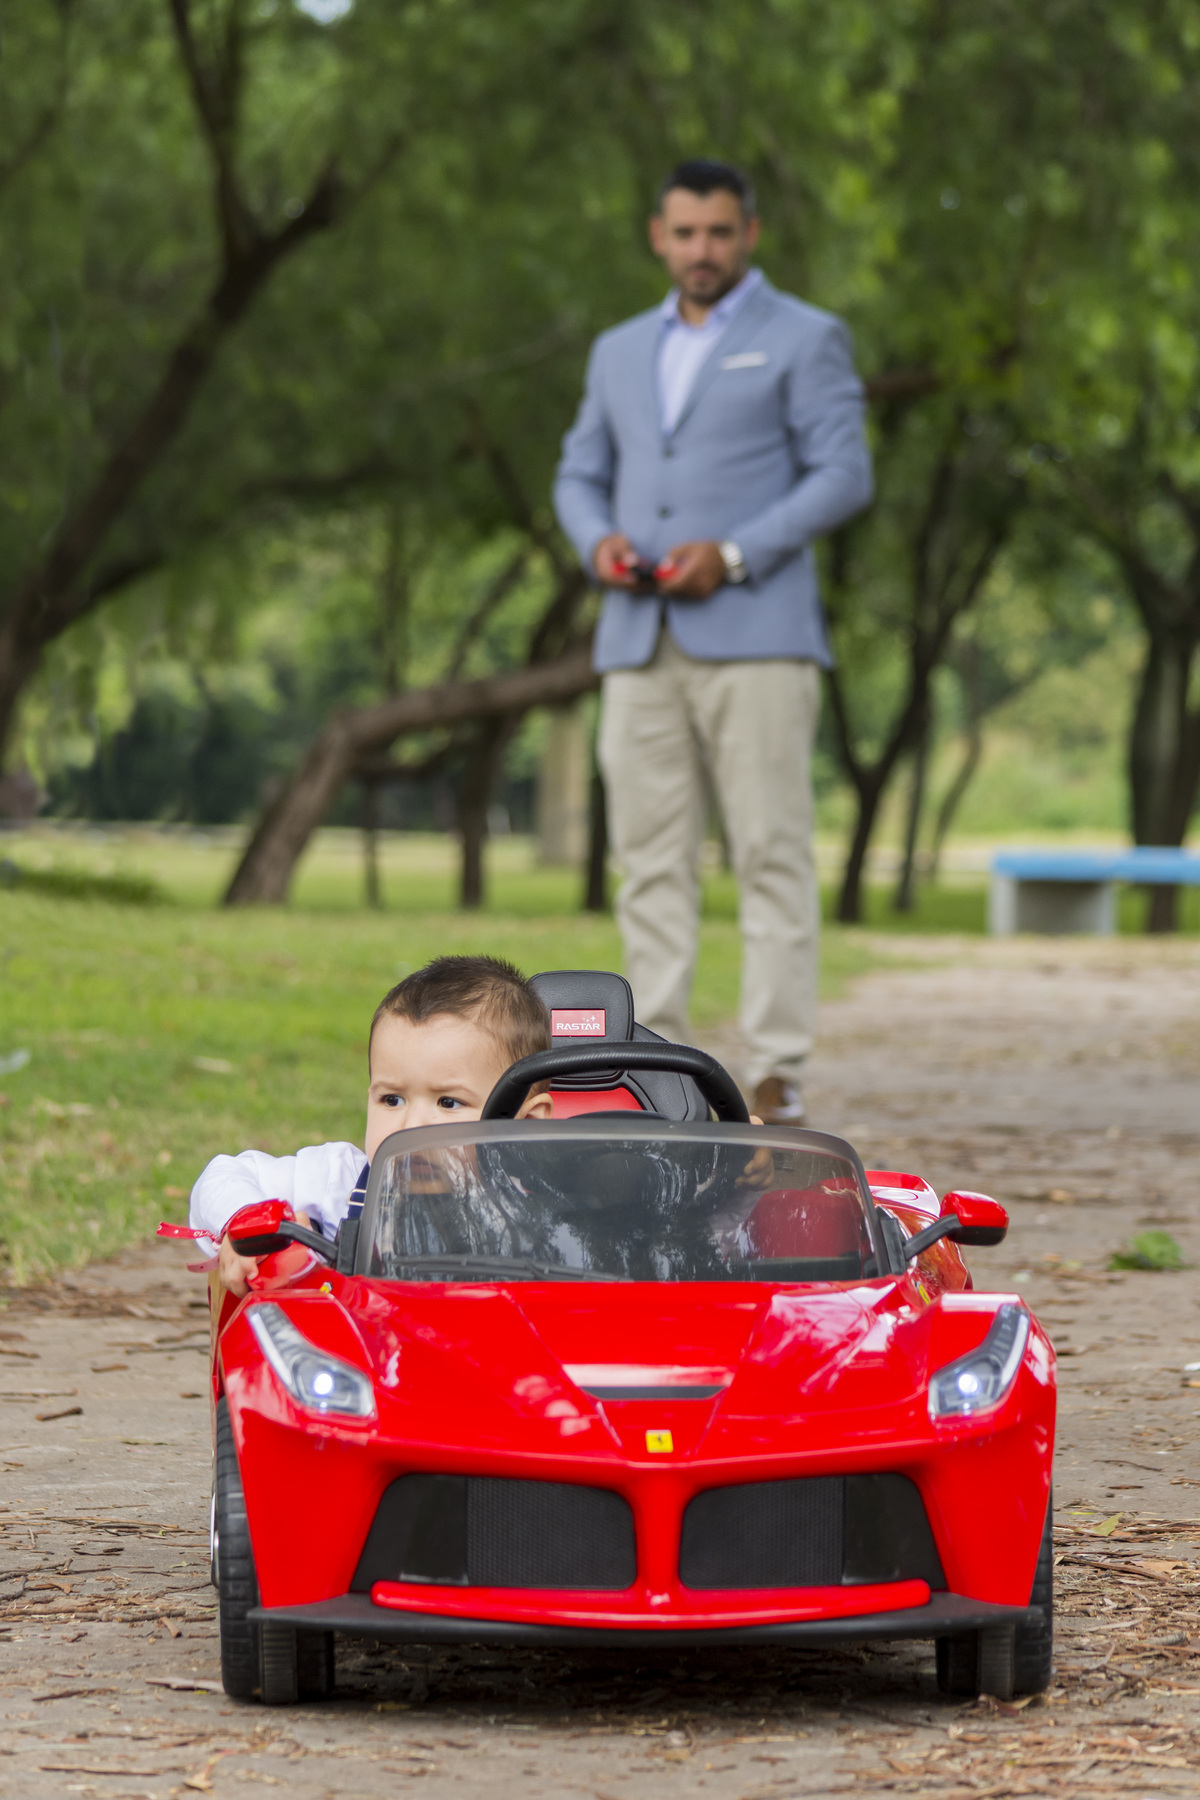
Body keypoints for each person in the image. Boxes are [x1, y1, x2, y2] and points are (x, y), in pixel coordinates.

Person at [553, 157, 873, 1124]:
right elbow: (578, 473)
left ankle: (777, 1073)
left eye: (720, 233)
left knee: (769, 851)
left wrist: (732, 554)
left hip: (759, 638)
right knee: (648, 861)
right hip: (637, 640)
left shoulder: (806, 336)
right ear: (658, 235)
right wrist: (596, 539)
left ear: (750, 234)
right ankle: (657, 1068)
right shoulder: (616, 349)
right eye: (685, 233)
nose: (702, 250)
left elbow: (844, 475)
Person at [188, 955, 553, 1295]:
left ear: (528, 1124)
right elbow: (222, 1175)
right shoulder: (339, 1184)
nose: (411, 1127)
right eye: (391, 1099)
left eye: (448, 1102)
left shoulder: (545, 1212)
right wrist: (246, 1220)